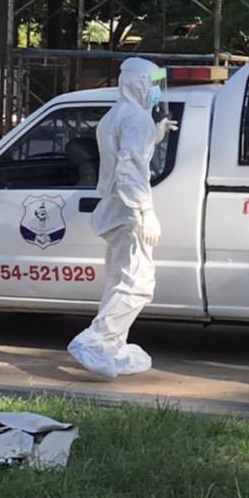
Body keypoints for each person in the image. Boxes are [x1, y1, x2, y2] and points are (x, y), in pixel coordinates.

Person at [68, 57, 168, 379]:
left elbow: (123, 152)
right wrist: (146, 212)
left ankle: (112, 346)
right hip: (129, 212)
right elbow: (130, 169)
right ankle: (94, 341)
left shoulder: (116, 115)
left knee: (118, 282)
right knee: (138, 284)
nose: (156, 91)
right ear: (138, 83)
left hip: (114, 208)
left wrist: (156, 134)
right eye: (152, 84)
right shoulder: (137, 120)